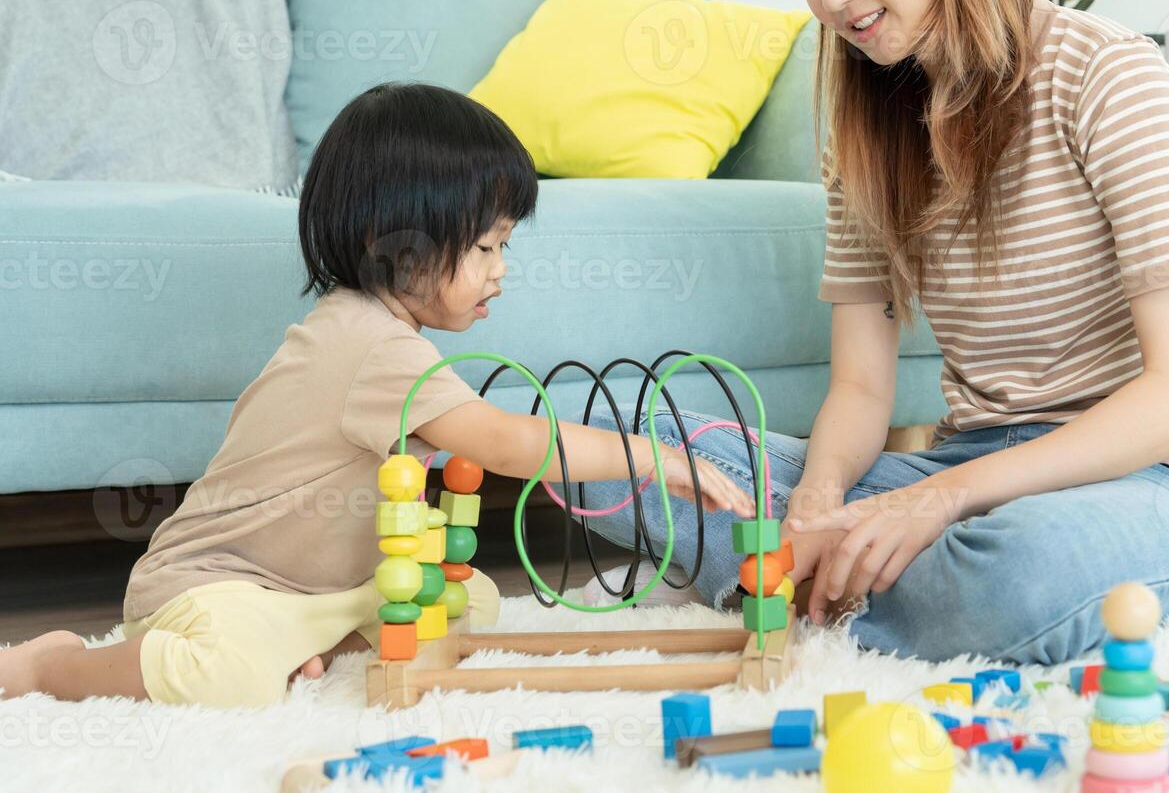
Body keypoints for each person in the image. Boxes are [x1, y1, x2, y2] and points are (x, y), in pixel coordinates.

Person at [574, 0, 1169, 664]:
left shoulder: (1109, 77)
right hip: (972, 463)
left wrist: (938, 504)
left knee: (1007, 576)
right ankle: (855, 569)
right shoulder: (863, 135)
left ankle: (812, 585)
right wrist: (819, 505)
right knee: (611, 446)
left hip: (1157, 481)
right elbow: (862, 388)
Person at [0, 83, 751, 707]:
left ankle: (304, 639)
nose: (501, 269)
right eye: (486, 245)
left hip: (315, 592)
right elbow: (512, 444)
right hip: (212, 586)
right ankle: (50, 667)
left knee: (467, 603)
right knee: (233, 675)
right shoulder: (372, 347)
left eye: (505, 246)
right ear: (403, 247)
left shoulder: (388, 341)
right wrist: (652, 458)